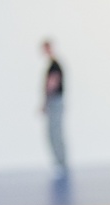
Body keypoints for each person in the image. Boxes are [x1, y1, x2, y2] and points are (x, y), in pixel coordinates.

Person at [41, 39, 67, 170]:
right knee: (53, 132)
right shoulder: (52, 65)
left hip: (55, 101)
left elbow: (52, 84)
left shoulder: (55, 65)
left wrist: (45, 102)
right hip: (54, 101)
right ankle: (59, 162)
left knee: (55, 132)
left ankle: (61, 163)